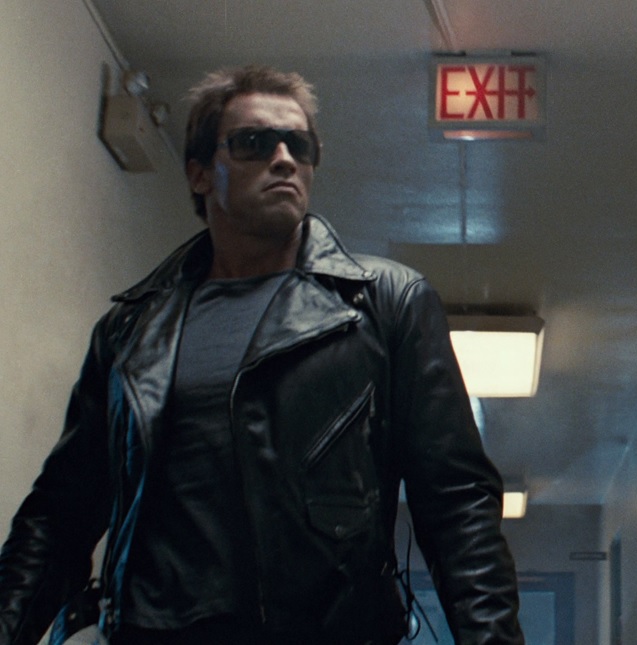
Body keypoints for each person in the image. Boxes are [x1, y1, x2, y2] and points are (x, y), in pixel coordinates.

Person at [0, 65, 524, 645]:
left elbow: (457, 507)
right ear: (200, 173)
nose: (283, 159)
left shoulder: (385, 304)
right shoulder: (130, 330)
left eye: (300, 146)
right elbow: (59, 517)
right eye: (254, 142)